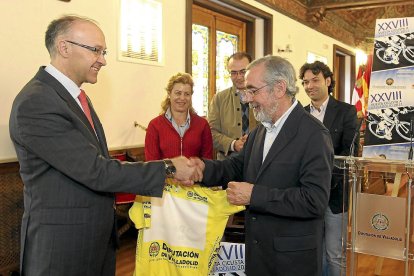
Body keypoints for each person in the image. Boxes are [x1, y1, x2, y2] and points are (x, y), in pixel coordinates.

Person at [8, 15, 200, 276]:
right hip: (62, 245)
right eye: (95, 50)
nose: (103, 59)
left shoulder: (76, 97)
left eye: (104, 51)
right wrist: (168, 167)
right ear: (64, 47)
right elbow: (96, 171)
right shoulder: (38, 101)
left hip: (93, 239)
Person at [194, 55, 334, 275]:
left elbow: (313, 201)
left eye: (253, 90)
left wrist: (254, 196)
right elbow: (233, 167)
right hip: (259, 254)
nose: (247, 98)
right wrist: (199, 169)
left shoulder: (314, 134)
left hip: (291, 260)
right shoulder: (260, 130)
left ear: (279, 88)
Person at [299, 61, 359, 276]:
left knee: (334, 253)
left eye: (314, 80)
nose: (309, 86)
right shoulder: (299, 114)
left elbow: (349, 155)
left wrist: (316, 167)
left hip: (335, 195)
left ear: (328, 80)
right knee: (311, 251)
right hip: (304, 195)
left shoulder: (346, 112)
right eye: (305, 82)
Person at [145, 72, 213, 160]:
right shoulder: (154, 125)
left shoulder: (202, 125)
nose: (182, 98)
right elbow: (151, 164)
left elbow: (208, 162)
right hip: (165, 174)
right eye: (178, 93)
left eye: (187, 94)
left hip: (196, 174)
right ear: (169, 94)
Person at [208, 52, 257, 160]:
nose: (239, 77)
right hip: (227, 163)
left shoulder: (262, 96)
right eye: (234, 73)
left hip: (257, 161)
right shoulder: (219, 99)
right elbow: (211, 133)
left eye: (243, 72)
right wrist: (233, 144)